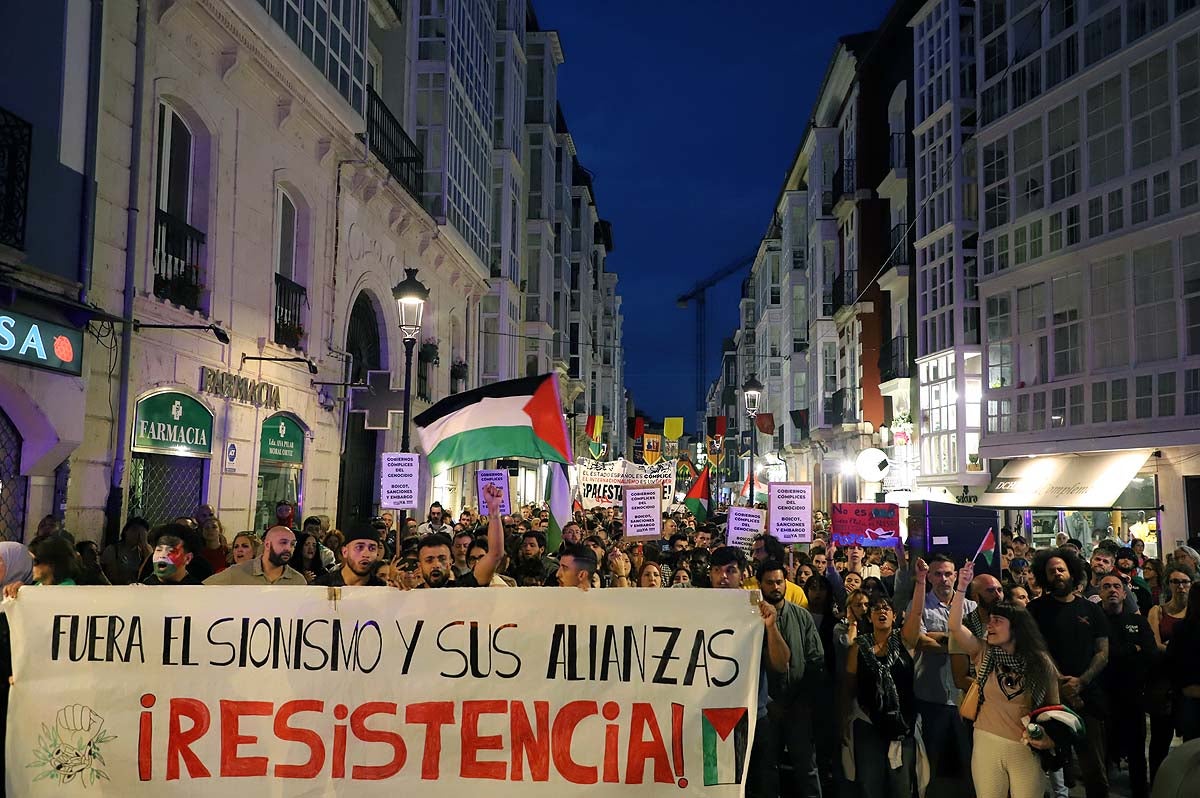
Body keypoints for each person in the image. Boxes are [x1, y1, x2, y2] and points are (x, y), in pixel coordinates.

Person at [948, 561, 1060, 798]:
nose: (990, 625)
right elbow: (955, 627)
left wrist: (1049, 737)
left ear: (1016, 628)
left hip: (1025, 747)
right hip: (987, 743)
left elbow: (1053, 708)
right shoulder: (984, 652)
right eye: (990, 620)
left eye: (997, 621)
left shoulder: (1040, 663)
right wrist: (961, 587)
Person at [1027, 547, 1110, 798]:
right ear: (1044, 576)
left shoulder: (1092, 609)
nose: (1057, 574)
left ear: (1072, 572)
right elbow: (1036, 650)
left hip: (1087, 696)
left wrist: (1081, 682)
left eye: (1061, 569)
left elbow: (1102, 652)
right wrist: (1060, 682)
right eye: (1051, 571)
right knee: (1047, 765)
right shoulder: (1035, 609)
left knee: (1094, 766)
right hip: (1048, 697)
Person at [708, 546, 790, 798]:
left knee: (762, 785)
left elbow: (781, 663)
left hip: (753, 716)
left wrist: (771, 627)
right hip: (709, 717)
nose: (723, 577)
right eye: (717, 570)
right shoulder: (697, 610)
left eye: (731, 570)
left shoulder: (757, 611)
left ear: (743, 574)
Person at [844, 588, 922, 798]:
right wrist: (844, 717)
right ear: (869, 617)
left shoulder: (905, 642)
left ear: (894, 616)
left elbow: (916, 613)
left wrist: (921, 582)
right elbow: (849, 686)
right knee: (871, 785)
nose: (882, 611)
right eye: (876, 609)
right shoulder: (859, 647)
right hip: (868, 723)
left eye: (886, 608)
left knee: (901, 787)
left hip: (902, 724)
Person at [758, 559, 825, 798]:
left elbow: (816, 660)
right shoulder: (751, 619)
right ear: (760, 585)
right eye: (769, 583)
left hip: (799, 707)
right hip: (766, 709)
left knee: (806, 767)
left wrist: (803, 701)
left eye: (779, 582)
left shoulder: (801, 616)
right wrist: (768, 702)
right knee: (767, 768)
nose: (775, 587)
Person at [1098, 573, 1155, 798]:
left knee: (1136, 749)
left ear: (1124, 593)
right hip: (1102, 694)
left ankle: (1140, 791)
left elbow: (1150, 653)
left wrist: (1113, 653)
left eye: (1116, 586)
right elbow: (1095, 655)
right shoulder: (1092, 621)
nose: (1112, 590)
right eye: (1106, 586)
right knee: (1102, 750)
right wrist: (1132, 649)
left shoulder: (1138, 621)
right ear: (1100, 592)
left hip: (1132, 695)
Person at [1149, 565, 1194, 778]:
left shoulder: (1195, 614)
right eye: (1175, 582)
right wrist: (1181, 649)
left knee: (1192, 740)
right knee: (1160, 739)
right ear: (1168, 584)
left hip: (1188, 682)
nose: (1180, 587)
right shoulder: (1158, 611)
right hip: (1164, 682)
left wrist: (1172, 647)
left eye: (1185, 582)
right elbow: (1154, 645)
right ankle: (1157, 782)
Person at [416, 484, 505, 588]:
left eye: (442, 559)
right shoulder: (408, 592)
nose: (436, 565)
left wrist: (494, 511)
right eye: (429, 560)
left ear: (451, 562)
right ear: (419, 565)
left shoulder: (463, 586)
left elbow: (495, 554)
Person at [204, 526, 306, 585]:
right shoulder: (237, 572)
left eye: (292, 544)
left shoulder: (298, 581)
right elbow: (201, 589)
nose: (288, 548)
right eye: (283, 542)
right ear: (267, 545)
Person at [1164, 582, 1200, 741]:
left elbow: (1172, 662)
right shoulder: (1182, 628)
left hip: (1189, 695)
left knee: (1192, 748)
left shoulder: (1181, 628)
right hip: (1189, 695)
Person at [745, 534, 808, 607]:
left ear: (772, 556)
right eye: (753, 552)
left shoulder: (796, 593)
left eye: (758, 551)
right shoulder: (745, 587)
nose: (754, 556)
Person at [315, 526, 386, 587]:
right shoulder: (321, 586)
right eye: (359, 547)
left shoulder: (382, 588)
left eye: (372, 548)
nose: (366, 554)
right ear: (345, 552)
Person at [1084, 547, 1139, 614]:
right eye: (1097, 559)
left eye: (1105, 561)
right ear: (1091, 562)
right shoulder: (1081, 586)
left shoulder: (1119, 587)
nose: (1100, 563)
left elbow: (1136, 615)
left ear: (1111, 567)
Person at [101, 516, 151, 585]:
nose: (136, 535)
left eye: (141, 533)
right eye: (134, 530)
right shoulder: (113, 550)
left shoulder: (142, 552)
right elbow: (112, 576)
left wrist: (144, 543)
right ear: (126, 531)